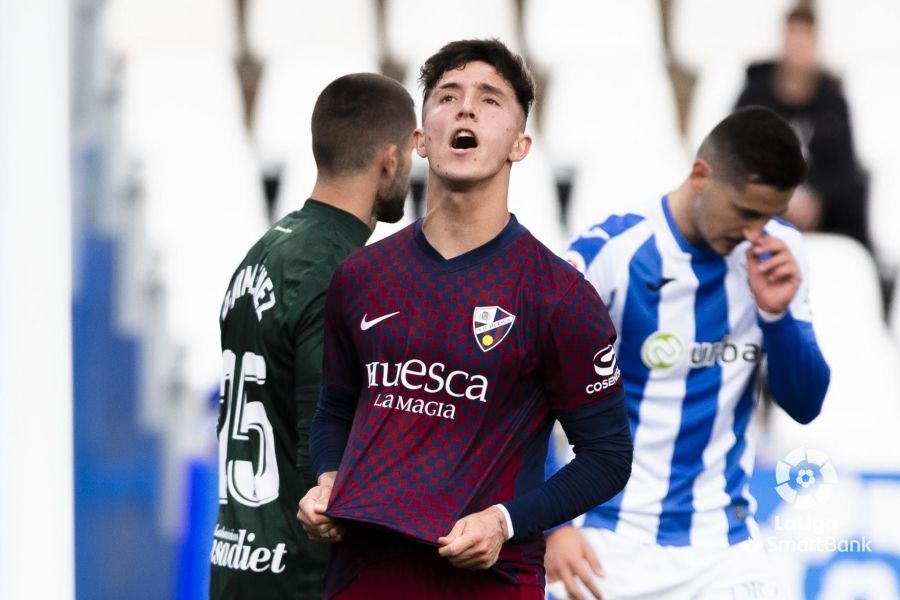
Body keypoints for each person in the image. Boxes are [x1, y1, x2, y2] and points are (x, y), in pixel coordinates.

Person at [296, 39, 633, 599]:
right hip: (363, 573)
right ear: (422, 138)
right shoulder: (362, 276)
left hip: (488, 583)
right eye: (448, 96)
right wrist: (328, 480)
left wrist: (505, 521)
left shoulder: (559, 296)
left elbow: (607, 457)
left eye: (490, 100)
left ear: (520, 146)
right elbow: (335, 407)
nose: (466, 108)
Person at [548, 106, 831, 599]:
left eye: (768, 216)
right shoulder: (614, 253)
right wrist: (551, 525)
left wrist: (779, 318)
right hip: (608, 541)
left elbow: (804, 405)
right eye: (745, 212)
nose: (753, 232)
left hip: (723, 547)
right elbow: (527, 394)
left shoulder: (777, 251)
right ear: (701, 175)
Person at [210, 73, 417, 599]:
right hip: (303, 576)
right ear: (390, 158)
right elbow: (321, 445)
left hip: (238, 563)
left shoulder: (262, 253)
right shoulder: (341, 271)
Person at [735, 5, 869, 248]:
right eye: (792, 41)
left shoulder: (833, 102)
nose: (798, 52)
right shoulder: (754, 96)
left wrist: (816, 196)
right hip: (764, 203)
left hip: (822, 210)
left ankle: (865, 268)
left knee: (857, 193)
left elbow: (846, 170)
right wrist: (780, 196)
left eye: (804, 44)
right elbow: (735, 157)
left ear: (816, 46)